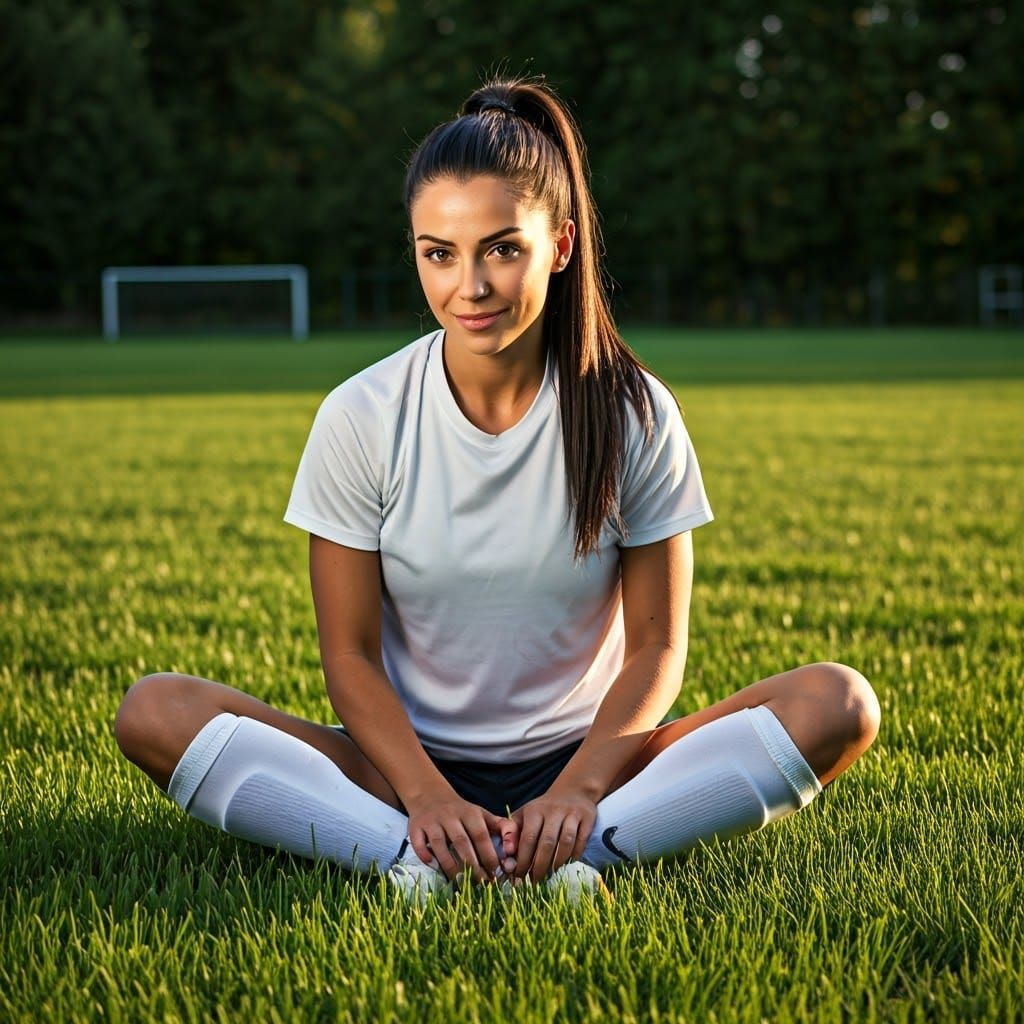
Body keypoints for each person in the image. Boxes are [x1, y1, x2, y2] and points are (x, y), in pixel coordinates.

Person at [113, 76, 881, 903]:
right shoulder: (361, 415)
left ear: (561, 245)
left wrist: (579, 791)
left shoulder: (633, 411)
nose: (469, 286)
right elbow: (350, 657)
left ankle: (580, 847)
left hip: (598, 761)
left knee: (837, 702)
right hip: (404, 766)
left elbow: (657, 650)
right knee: (155, 711)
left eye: (502, 249)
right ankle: (416, 852)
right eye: (438, 253)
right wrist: (427, 796)